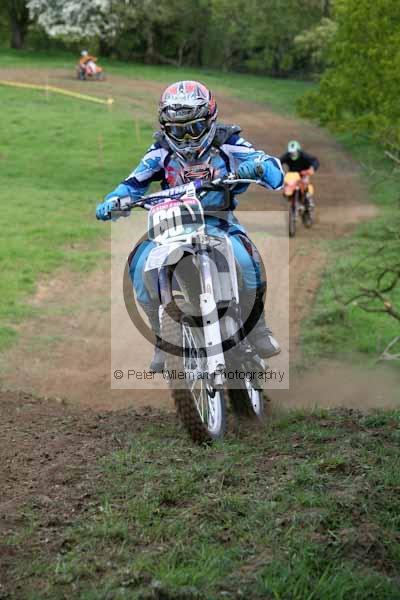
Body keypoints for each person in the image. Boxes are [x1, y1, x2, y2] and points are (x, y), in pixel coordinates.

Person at [96, 81, 284, 371]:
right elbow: (132, 184)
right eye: (177, 130)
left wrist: (258, 166)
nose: (186, 138)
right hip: (171, 225)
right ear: (165, 128)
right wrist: (113, 200)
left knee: (247, 259)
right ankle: (162, 337)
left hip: (218, 221)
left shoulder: (228, 142)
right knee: (138, 264)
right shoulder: (159, 152)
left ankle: (258, 327)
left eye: (194, 128)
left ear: (209, 120)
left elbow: (275, 173)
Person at [280, 140, 319, 207]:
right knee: (287, 184)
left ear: (298, 151)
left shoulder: (304, 156)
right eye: (291, 153)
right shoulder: (287, 156)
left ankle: (308, 198)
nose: (293, 154)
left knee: (305, 183)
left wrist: (312, 169)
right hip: (293, 175)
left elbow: (314, 161)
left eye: (294, 152)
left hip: (304, 173)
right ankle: (289, 195)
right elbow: (279, 161)